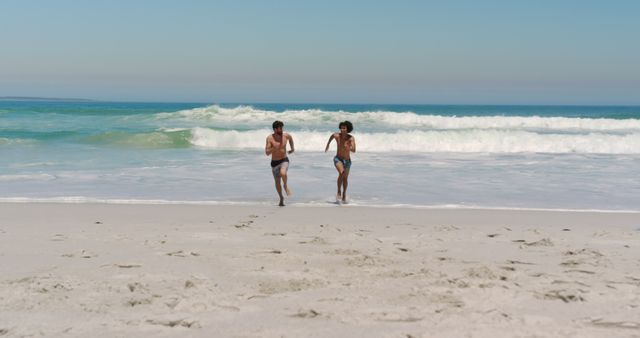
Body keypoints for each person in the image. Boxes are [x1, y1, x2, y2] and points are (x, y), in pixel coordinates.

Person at [325, 120, 356, 203]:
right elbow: (331, 137)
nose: (342, 130)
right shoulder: (337, 136)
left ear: (347, 129)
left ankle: (344, 193)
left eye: (344, 128)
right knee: (341, 173)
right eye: (341, 128)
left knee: (345, 178)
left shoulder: (351, 138)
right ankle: (338, 190)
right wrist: (327, 145)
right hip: (338, 159)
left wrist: (348, 147)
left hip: (347, 161)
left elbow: (354, 150)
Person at [265, 120, 294, 206]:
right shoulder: (270, 138)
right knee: (277, 183)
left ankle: (285, 185)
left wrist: (292, 148)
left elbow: (291, 139)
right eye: (280, 128)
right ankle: (281, 198)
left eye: (282, 128)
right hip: (274, 162)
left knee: (283, 173)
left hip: (284, 160)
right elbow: (267, 152)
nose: (281, 130)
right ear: (275, 129)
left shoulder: (286, 136)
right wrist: (274, 148)